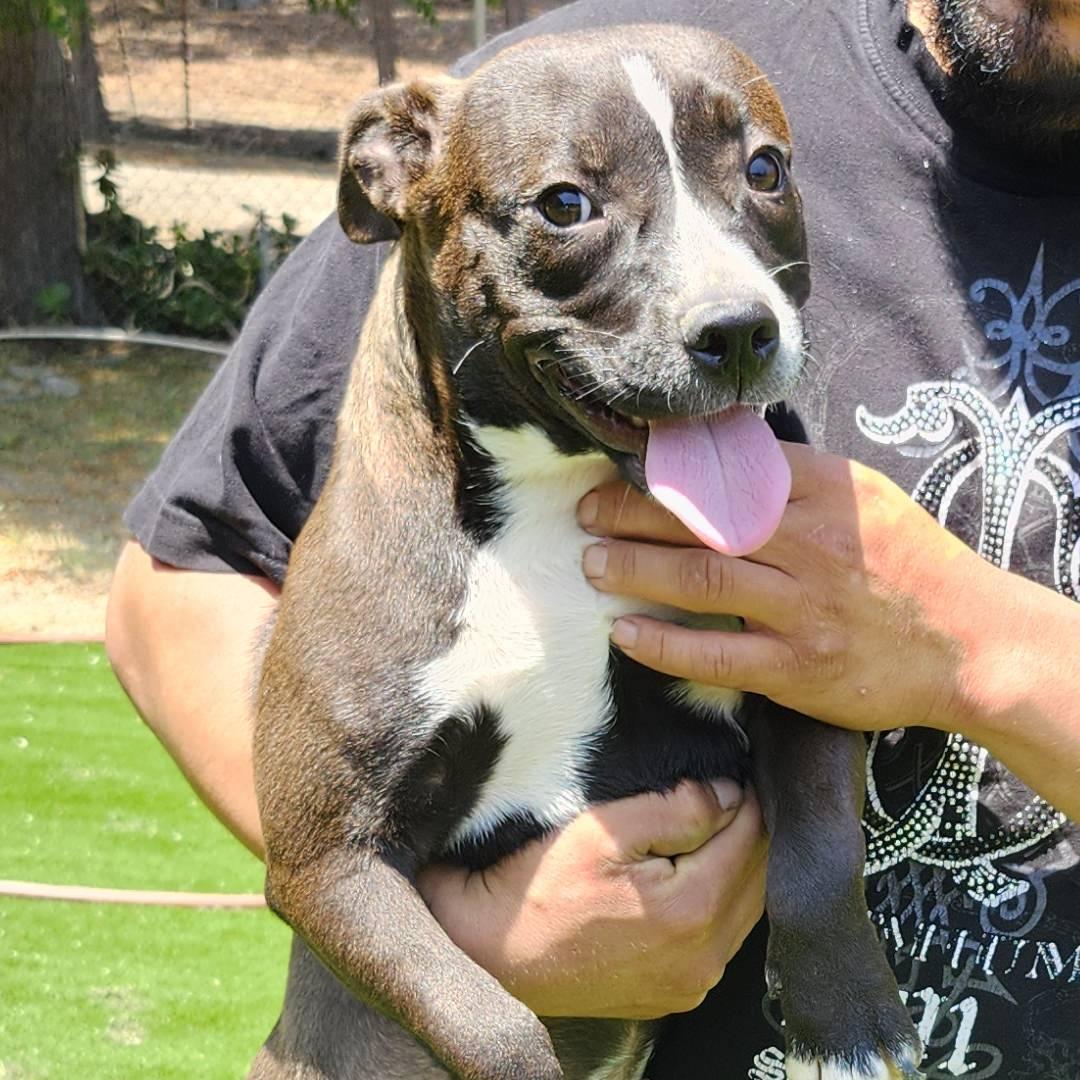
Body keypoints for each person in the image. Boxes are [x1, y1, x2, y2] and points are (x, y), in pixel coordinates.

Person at [105, 0, 1080, 1076]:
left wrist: (977, 647)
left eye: (760, 176)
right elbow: (175, 585)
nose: (727, 299)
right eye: (569, 207)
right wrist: (470, 949)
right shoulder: (516, 106)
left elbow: (819, 704)